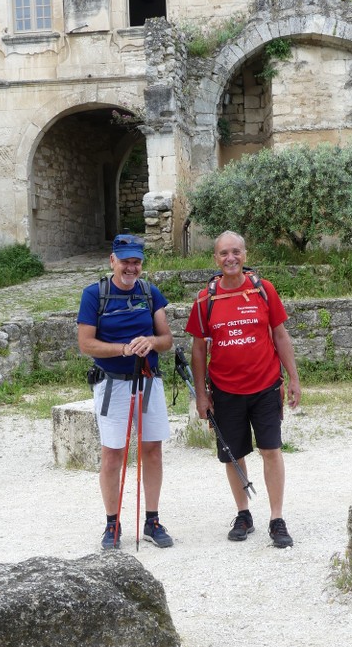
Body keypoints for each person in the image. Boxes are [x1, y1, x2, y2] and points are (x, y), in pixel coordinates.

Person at [185, 230, 301, 548]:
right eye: (224, 253)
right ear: (216, 259)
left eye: (235, 252)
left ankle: (277, 519)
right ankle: (244, 514)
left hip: (264, 386)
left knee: (271, 451)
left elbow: (280, 336)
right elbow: (198, 351)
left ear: (245, 255)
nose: (230, 258)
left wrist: (293, 378)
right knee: (233, 456)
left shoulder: (264, 291)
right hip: (224, 390)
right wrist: (201, 395)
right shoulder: (204, 299)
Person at [77, 234, 174, 550]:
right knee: (113, 453)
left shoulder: (150, 293)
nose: (131, 267)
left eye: (136, 261)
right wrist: (123, 349)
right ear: (112, 261)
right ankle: (112, 524)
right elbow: (86, 343)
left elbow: (166, 339)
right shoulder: (95, 295)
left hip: (149, 380)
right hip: (112, 383)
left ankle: (152, 520)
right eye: (126, 261)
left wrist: (150, 342)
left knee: (153, 450)